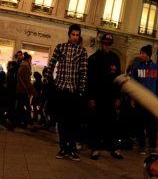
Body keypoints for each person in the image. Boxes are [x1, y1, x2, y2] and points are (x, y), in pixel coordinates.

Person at [44, 24, 88, 161]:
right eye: (73, 34)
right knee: (62, 121)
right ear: (69, 35)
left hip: (74, 91)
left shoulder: (82, 51)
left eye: (77, 35)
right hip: (61, 90)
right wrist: (48, 81)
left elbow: (84, 71)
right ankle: (63, 148)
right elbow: (51, 64)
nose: (75, 37)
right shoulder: (60, 47)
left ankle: (72, 148)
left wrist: (81, 90)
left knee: (73, 122)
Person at [87, 33, 123, 160]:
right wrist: (90, 98)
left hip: (111, 98)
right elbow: (89, 81)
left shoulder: (115, 59)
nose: (107, 46)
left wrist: (118, 97)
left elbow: (118, 79)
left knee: (112, 124)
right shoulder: (93, 59)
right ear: (101, 43)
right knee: (96, 123)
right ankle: (95, 148)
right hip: (97, 98)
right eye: (105, 44)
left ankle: (114, 148)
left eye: (109, 44)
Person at [131, 45, 158, 154]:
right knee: (140, 124)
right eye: (141, 53)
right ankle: (142, 146)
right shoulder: (137, 67)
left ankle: (153, 146)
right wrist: (133, 98)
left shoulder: (156, 68)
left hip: (152, 102)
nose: (141, 55)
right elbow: (133, 83)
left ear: (148, 55)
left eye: (143, 53)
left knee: (152, 125)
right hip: (140, 100)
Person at [15, 52, 35, 130]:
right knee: (28, 107)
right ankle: (30, 124)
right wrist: (32, 90)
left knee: (19, 107)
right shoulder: (25, 67)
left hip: (20, 89)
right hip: (23, 90)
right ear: (28, 59)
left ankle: (13, 122)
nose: (31, 61)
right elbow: (26, 80)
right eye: (31, 60)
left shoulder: (21, 66)